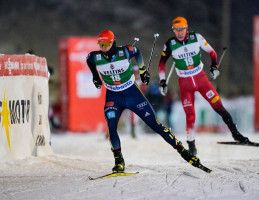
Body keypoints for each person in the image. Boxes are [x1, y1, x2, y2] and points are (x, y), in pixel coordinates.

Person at [86, 29, 203, 173]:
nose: (103, 47)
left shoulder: (125, 51)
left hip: (132, 93)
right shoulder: (95, 57)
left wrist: (142, 70)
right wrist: (95, 77)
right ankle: (119, 161)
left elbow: (137, 52)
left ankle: (183, 152)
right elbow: (89, 61)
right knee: (111, 127)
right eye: (100, 44)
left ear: (112, 42)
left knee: (155, 124)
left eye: (106, 44)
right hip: (113, 97)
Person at [157, 17, 249, 156]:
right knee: (190, 114)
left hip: (201, 79)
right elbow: (162, 63)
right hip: (185, 83)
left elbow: (212, 52)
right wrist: (162, 81)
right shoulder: (170, 44)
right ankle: (191, 145)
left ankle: (236, 134)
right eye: (176, 30)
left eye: (181, 29)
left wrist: (214, 67)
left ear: (186, 28)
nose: (179, 32)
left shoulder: (197, 37)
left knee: (218, 106)